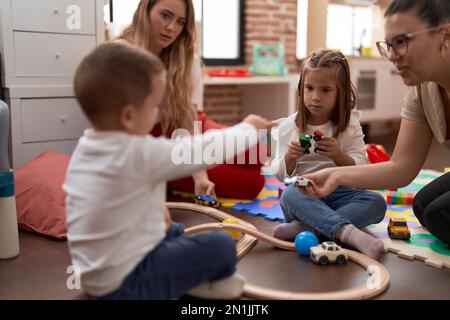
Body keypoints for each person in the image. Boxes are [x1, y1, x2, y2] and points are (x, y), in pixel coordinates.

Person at [63, 42, 274, 299]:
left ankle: (181, 275)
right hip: (129, 284)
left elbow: (111, 206)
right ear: (128, 115)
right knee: (221, 247)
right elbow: (202, 150)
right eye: (155, 107)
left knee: (172, 228)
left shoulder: (85, 149)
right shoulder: (137, 153)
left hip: (96, 276)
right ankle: (190, 282)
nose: (157, 114)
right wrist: (248, 128)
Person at [303, 0, 450, 246]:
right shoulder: (420, 89)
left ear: (445, 34)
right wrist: (335, 174)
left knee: (439, 215)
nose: (392, 56)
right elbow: (400, 168)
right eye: (389, 45)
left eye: (402, 41)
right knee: (423, 206)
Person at [118, 0, 266, 200]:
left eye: (180, 22)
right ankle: (164, 175)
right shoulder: (118, 54)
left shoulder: (187, 58)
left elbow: (187, 119)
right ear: (145, 9)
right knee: (253, 183)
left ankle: (175, 173)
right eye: (165, 15)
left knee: (257, 151)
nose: (171, 28)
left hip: (187, 126)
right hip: (153, 141)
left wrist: (200, 175)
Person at [270, 49, 387, 259]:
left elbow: (362, 170)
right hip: (304, 195)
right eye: (309, 88)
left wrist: (339, 155)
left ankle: (309, 227)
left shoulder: (349, 125)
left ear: (340, 92)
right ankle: (350, 234)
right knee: (289, 194)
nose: (315, 97)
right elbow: (280, 175)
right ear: (301, 89)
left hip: (342, 194)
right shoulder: (288, 126)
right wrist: (290, 157)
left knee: (377, 203)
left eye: (325, 90)